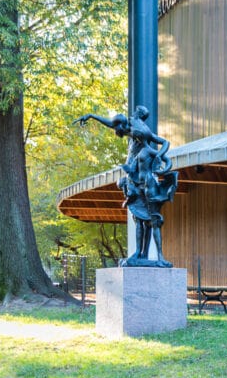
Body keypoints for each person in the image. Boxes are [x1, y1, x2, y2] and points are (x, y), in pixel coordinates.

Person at [75, 106, 177, 266]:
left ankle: (158, 257)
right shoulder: (133, 134)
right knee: (139, 219)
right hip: (135, 181)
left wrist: (159, 155)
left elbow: (165, 144)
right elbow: (112, 124)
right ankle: (139, 253)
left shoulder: (142, 136)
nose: (117, 131)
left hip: (147, 185)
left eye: (118, 128)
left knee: (152, 220)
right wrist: (91, 115)